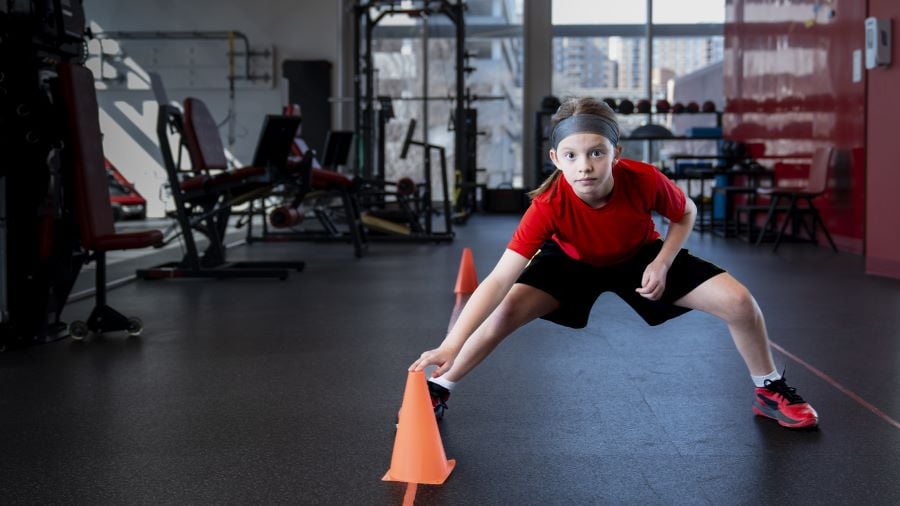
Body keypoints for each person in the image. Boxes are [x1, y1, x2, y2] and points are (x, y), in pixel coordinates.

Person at [409, 97, 818, 429]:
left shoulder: (643, 179)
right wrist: (450, 343)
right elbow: (498, 279)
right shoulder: (548, 205)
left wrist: (662, 261)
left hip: (639, 255)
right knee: (503, 315)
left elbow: (686, 212)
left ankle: (768, 389)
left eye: (595, 153)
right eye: (571, 155)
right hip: (569, 261)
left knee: (740, 302)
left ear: (615, 154)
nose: (583, 165)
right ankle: (442, 387)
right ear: (555, 158)